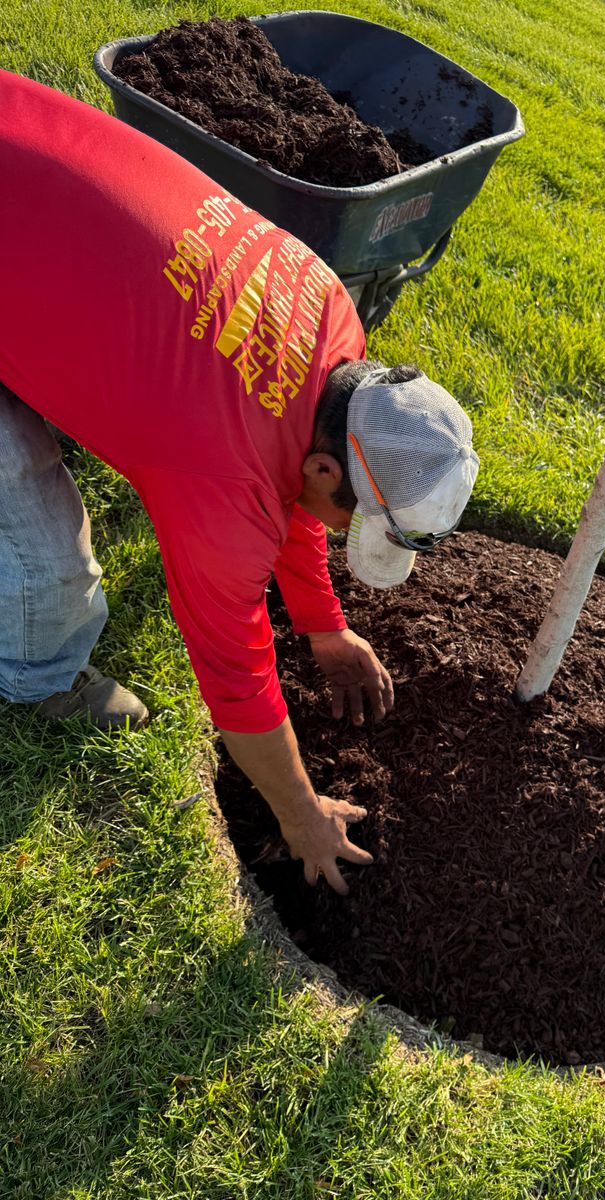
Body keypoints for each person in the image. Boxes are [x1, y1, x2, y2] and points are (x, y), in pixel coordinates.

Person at [0, 70, 479, 894]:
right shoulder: (221, 484)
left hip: (23, 133)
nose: (333, 530)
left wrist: (324, 629)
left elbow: (295, 483)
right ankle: (41, 680)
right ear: (331, 468)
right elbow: (236, 676)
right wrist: (300, 814)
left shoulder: (332, 317)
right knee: (41, 556)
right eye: (349, 519)